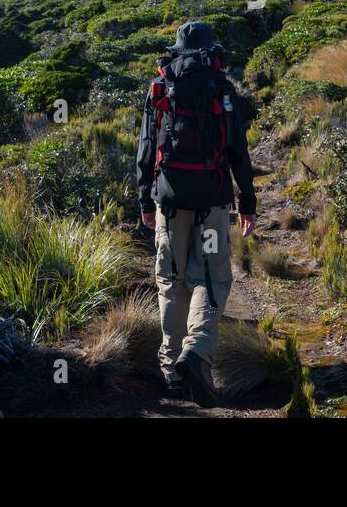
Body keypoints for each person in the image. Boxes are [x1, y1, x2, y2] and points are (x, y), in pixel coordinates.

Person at [135, 20, 256, 407]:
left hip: (170, 201)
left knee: (171, 279)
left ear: (178, 49)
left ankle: (172, 372)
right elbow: (238, 148)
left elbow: (146, 146)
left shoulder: (160, 86)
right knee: (210, 275)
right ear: (209, 50)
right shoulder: (222, 88)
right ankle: (198, 351)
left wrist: (144, 200)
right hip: (212, 202)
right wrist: (247, 203)